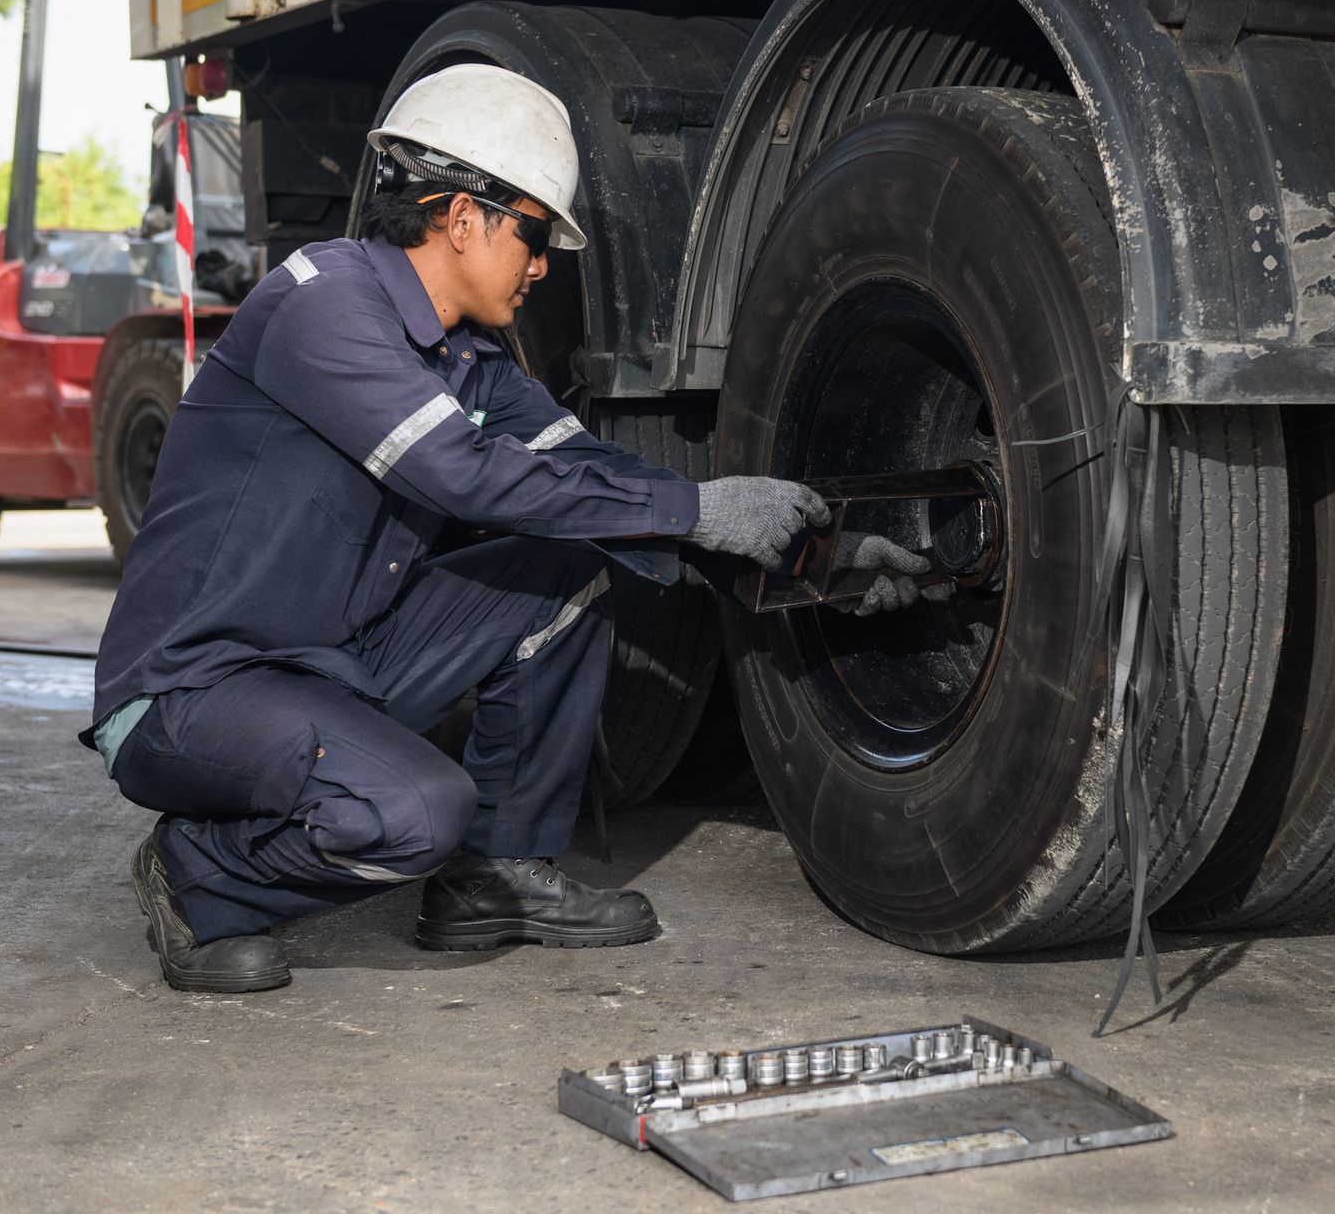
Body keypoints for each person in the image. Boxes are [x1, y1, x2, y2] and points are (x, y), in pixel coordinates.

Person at [82, 65, 940, 993]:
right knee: (417, 811)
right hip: (193, 692)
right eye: (533, 236)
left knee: (575, 564)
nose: (543, 266)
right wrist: (698, 512)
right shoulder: (323, 306)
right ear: (462, 217)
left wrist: (796, 547)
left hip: (335, 660)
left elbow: (590, 478)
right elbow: (467, 475)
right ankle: (199, 873)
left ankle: (495, 876)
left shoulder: (469, 353)